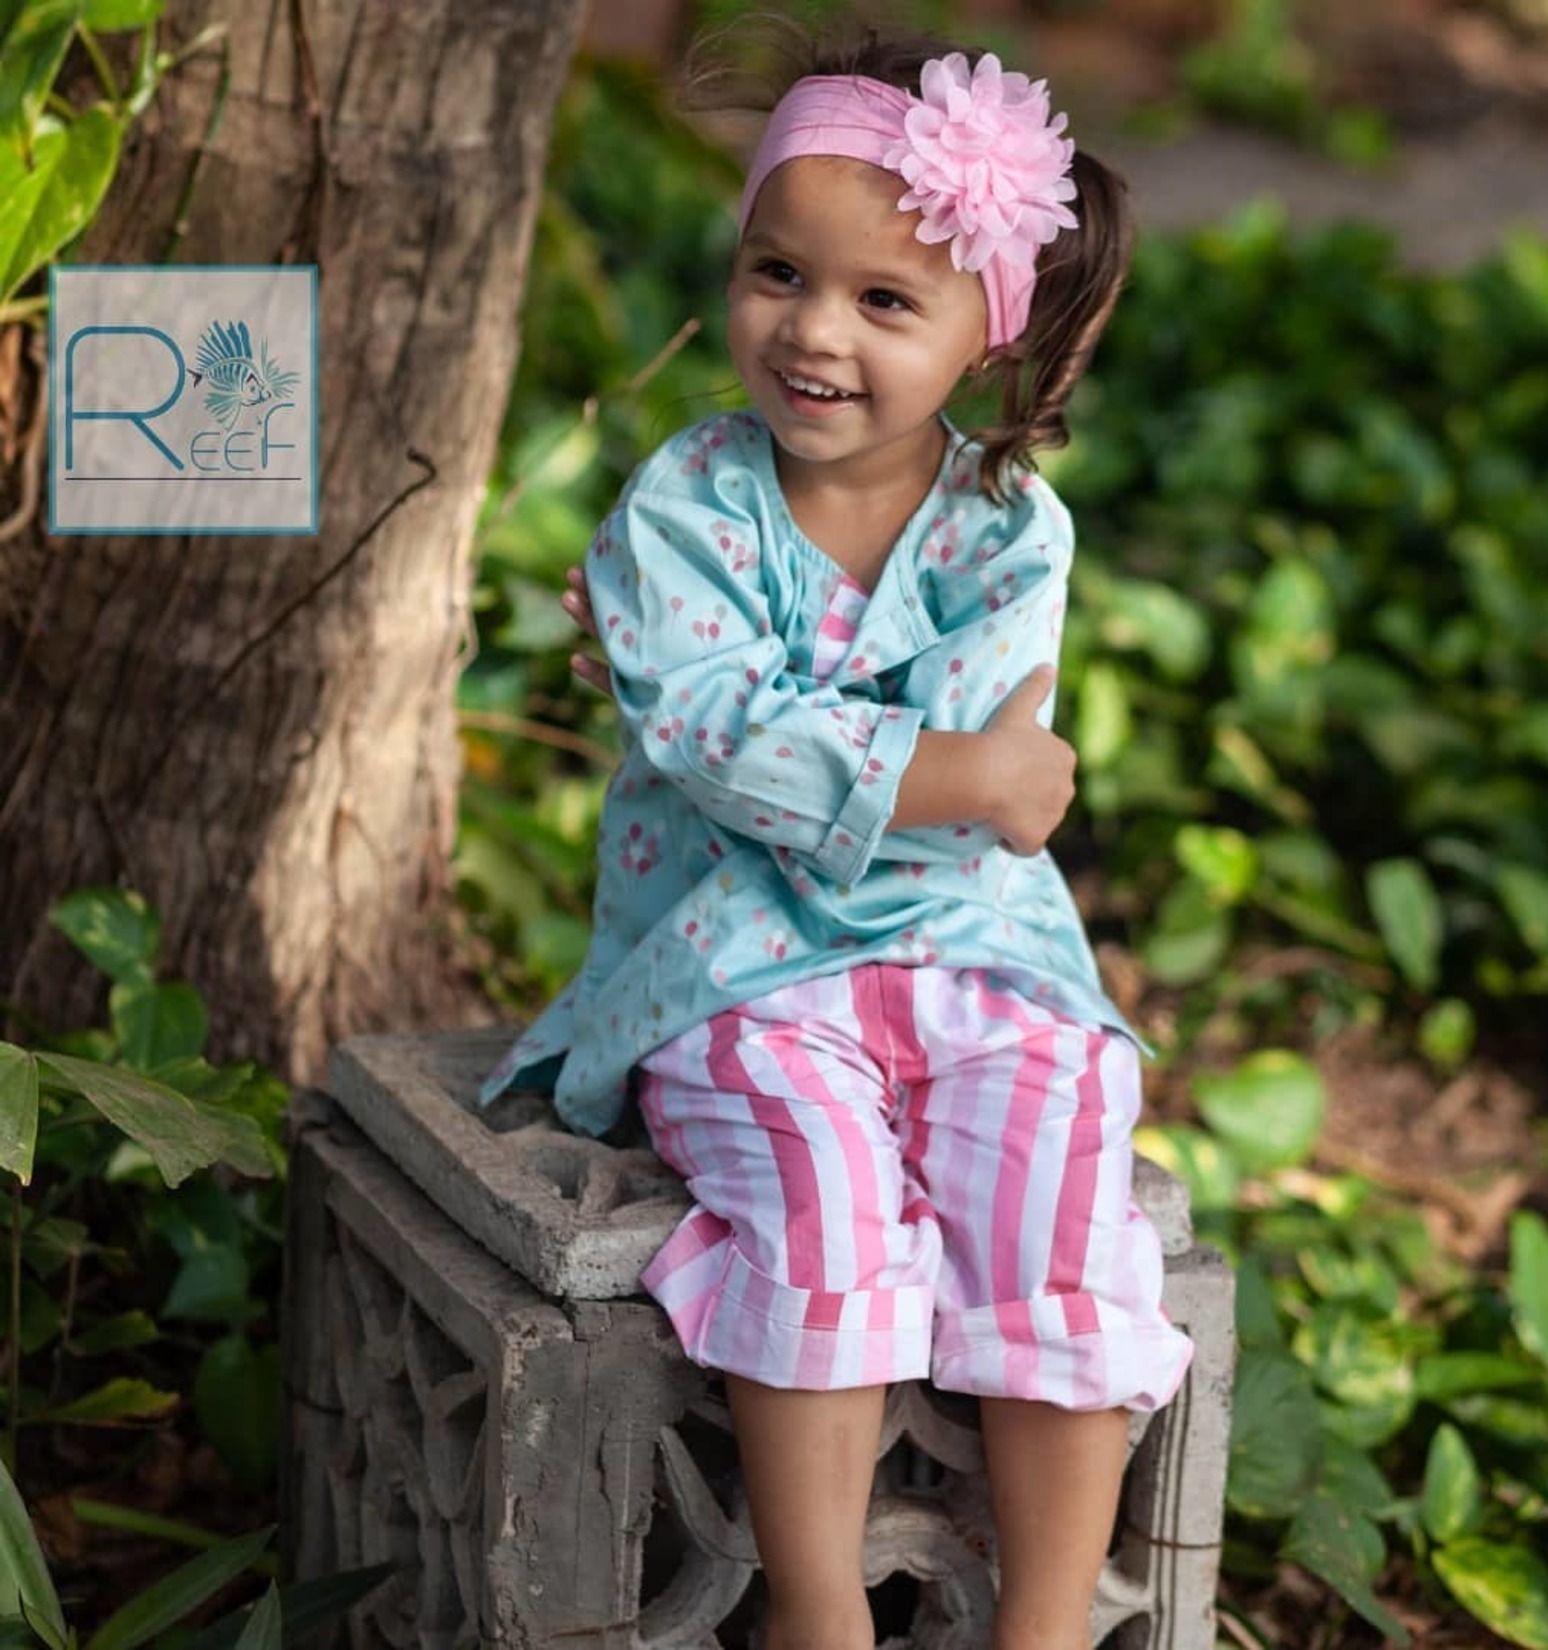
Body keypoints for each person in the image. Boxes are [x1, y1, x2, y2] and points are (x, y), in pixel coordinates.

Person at [479, 30, 1194, 1650]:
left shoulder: (1010, 527)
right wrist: (966, 776)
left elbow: (893, 768)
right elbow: (740, 749)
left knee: (1059, 1156)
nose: (809, 330)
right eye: (775, 271)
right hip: (732, 957)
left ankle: (1045, 1621)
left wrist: (927, 775)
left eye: (883, 300)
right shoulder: (682, 512)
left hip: (974, 945)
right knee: (817, 1188)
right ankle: (816, 1610)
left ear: (981, 336)